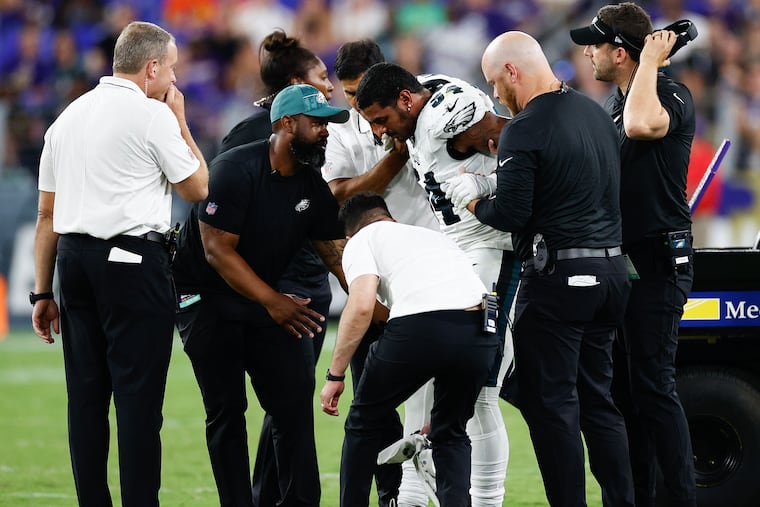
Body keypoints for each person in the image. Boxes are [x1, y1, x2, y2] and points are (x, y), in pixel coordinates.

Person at [30, 21, 208, 507]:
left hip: (73, 263)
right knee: (138, 401)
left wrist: (42, 293)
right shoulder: (151, 116)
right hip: (132, 261)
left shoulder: (65, 118)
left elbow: (47, 215)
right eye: (171, 70)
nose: (174, 81)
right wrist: (181, 124)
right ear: (152, 68)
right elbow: (197, 189)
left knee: (85, 400)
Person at [453, 31, 634, 506]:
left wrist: (472, 200)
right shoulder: (595, 113)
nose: (495, 93)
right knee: (600, 405)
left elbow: (510, 214)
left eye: (495, 81)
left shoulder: (525, 127)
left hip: (559, 281)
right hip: (612, 276)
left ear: (512, 71)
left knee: (551, 406)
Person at [171, 84, 349, 507]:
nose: (326, 131)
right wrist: (275, 302)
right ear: (287, 124)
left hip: (264, 298)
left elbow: (333, 251)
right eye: (318, 123)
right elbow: (217, 251)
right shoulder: (234, 169)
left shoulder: (310, 184)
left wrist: (371, 300)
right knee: (227, 412)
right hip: (207, 299)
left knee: (292, 407)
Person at [356, 62, 516, 507]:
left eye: (381, 120)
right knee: (421, 375)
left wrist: (487, 183)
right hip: (456, 255)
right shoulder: (425, 96)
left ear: (406, 101)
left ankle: (487, 501)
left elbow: (519, 143)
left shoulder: (450, 112)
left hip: (491, 252)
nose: (378, 132)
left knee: (479, 392)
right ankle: (410, 496)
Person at [570, 4, 697, 506]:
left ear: (621, 52)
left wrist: (650, 62)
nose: (587, 53)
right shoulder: (612, 104)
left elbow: (645, 127)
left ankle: (681, 500)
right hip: (619, 261)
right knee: (621, 394)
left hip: (659, 259)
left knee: (652, 388)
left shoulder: (668, 92)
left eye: (596, 45)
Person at [215, 29, 337, 506]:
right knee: (276, 404)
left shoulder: (314, 135)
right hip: (272, 286)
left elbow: (323, 223)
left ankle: (274, 495)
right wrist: (269, 296)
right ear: (293, 90)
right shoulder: (246, 142)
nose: (328, 88)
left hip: (304, 280)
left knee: (286, 405)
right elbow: (218, 227)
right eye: (321, 78)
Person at [319, 192, 500, 507]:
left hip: (422, 326)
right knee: (451, 434)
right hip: (482, 328)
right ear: (392, 219)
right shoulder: (432, 237)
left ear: (349, 235)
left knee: (363, 421)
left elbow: (361, 307)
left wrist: (335, 374)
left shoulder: (361, 240)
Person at [323, 39, 439, 506]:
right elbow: (338, 194)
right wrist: (394, 156)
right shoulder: (342, 131)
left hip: (433, 266)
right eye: (348, 93)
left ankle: (443, 485)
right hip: (377, 275)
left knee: (445, 395)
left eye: (360, 92)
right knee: (371, 399)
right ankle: (394, 494)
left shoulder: (428, 109)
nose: (354, 103)